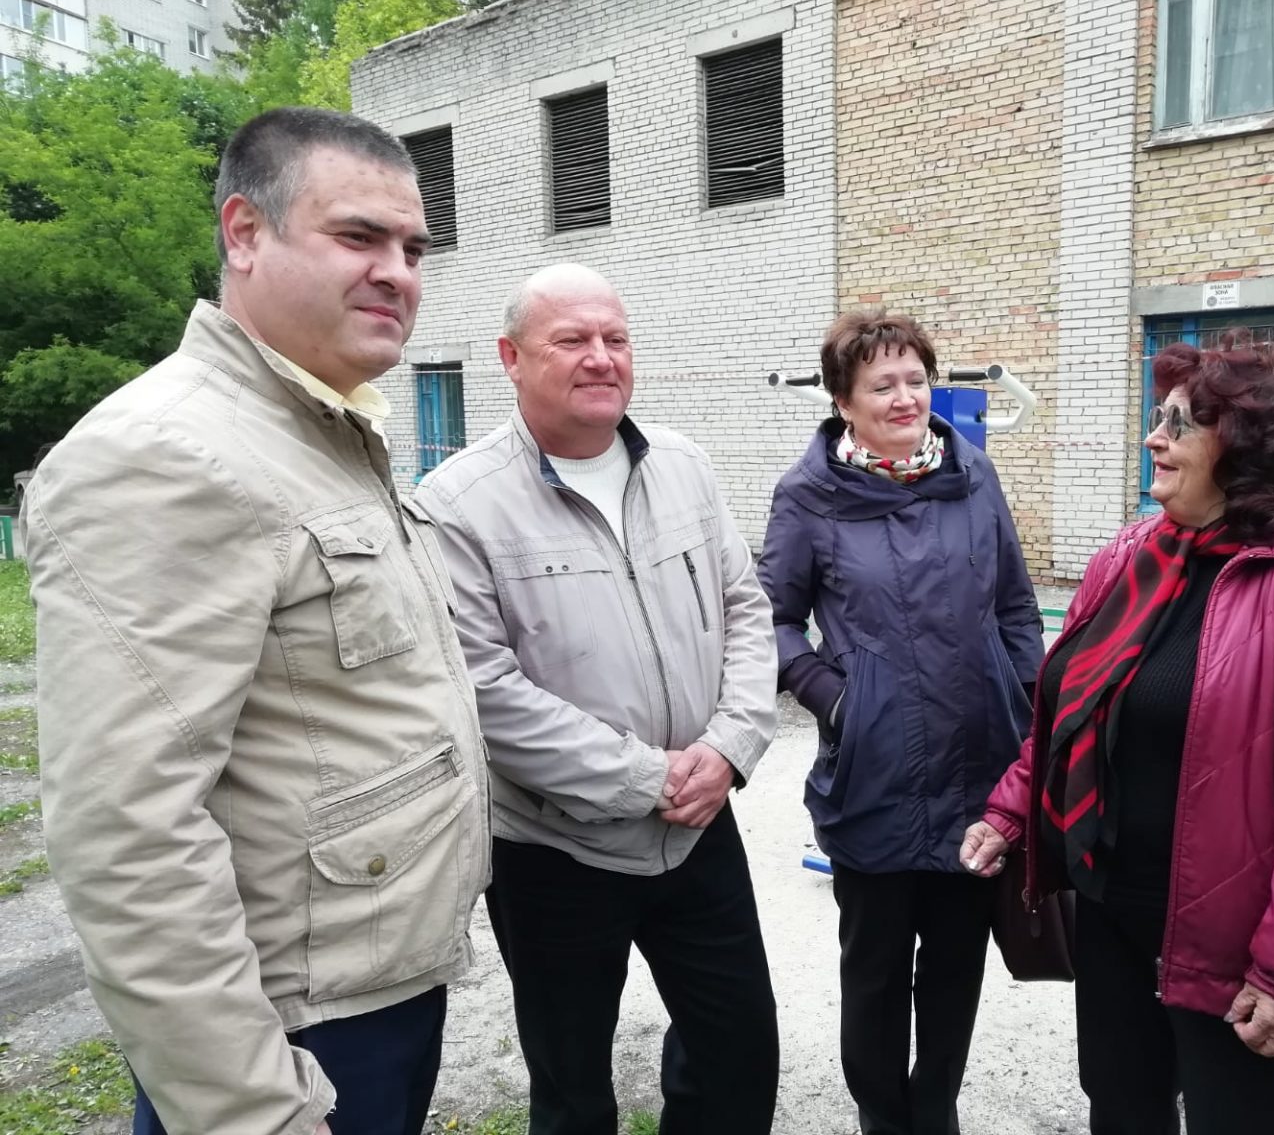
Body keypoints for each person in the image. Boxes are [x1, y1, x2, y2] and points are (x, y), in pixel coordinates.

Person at [21, 106, 491, 1135]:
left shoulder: (323, 432)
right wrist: (249, 1108)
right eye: (359, 236)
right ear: (244, 233)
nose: (397, 272)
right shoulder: (163, 455)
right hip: (291, 1033)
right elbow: (128, 834)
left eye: (413, 249)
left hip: (369, 990)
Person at [961, 331, 1274, 1135]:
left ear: (1248, 450)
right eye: (1157, 417)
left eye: (1180, 424)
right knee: (1121, 1108)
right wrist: (1010, 809)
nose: (1153, 438)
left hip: (1234, 946)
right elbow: (1073, 713)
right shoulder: (1132, 556)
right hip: (1113, 915)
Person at [411, 262, 780, 1135]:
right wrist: (648, 779)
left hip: (698, 830)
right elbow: (484, 689)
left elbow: (746, 609)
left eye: (615, 338)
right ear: (511, 357)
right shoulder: (457, 505)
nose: (601, 357)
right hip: (554, 852)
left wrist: (729, 748)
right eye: (572, 339)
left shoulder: (684, 467)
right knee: (573, 1089)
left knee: (738, 1058)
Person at [756, 310, 1044, 1135]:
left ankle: (936, 1111)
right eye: (882, 384)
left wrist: (1031, 713)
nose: (906, 397)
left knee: (956, 968)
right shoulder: (809, 495)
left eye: (916, 379)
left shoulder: (973, 474)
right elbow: (771, 620)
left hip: (977, 769)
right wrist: (835, 697)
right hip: (874, 774)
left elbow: (1015, 606)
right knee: (876, 975)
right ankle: (883, 1118)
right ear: (843, 401)